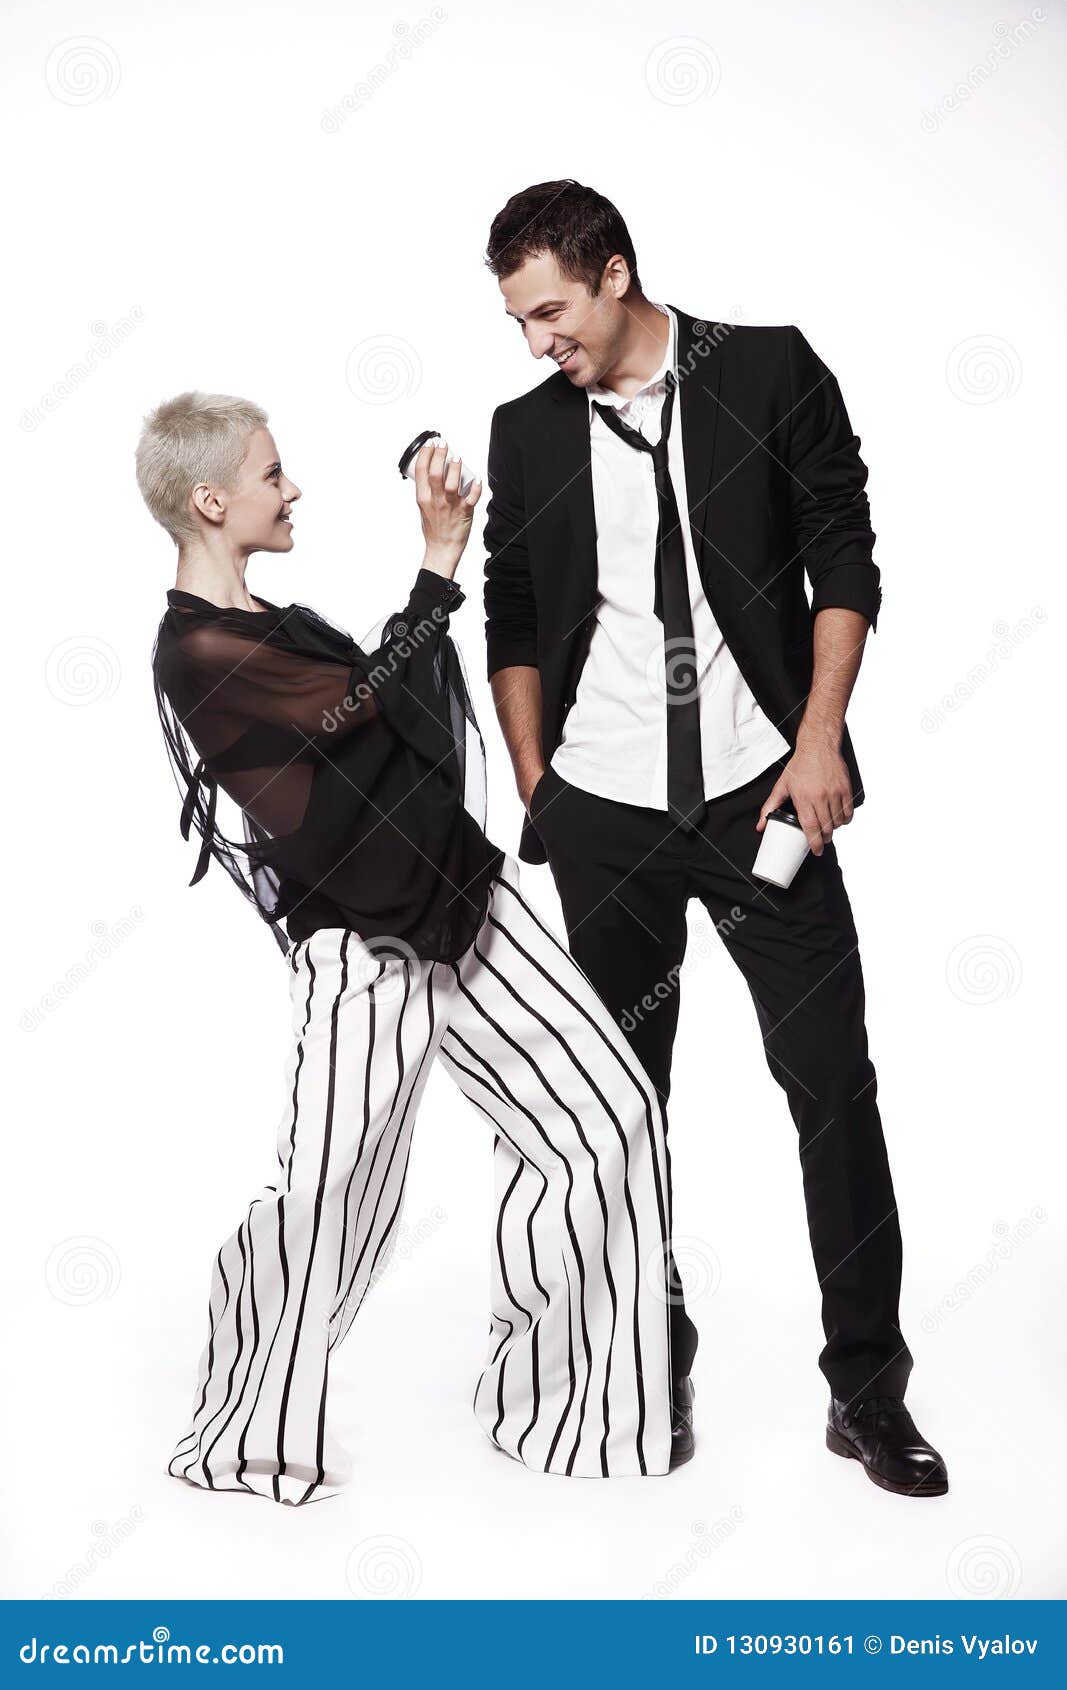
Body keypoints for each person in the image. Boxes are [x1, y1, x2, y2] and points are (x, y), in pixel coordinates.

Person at [481, 180, 948, 1497]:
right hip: (605, 816)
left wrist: (815, 740)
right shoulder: (526, 434)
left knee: (828, 1089)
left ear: (614, 273)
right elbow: (510, 609)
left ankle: (864, 1393)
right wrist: (535, 776)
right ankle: (641, 1368)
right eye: (517, 322)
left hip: (760, 795)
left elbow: (840, 552)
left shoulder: (763, 369)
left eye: (549, 312)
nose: (534, 344)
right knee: (620, 1112)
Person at [139, 390, 682, 1505]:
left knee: (607, 1112)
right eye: (272, 473)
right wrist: (438, 561)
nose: (291, 490)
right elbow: (363, 715)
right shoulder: (197, 647)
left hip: (460, 899)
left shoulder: (267, 621)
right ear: (210, 499)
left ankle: (568, 1411)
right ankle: (245, 1433)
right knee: (333, 1195)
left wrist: (436, 565)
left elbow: (380, 715)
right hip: (363, 948)